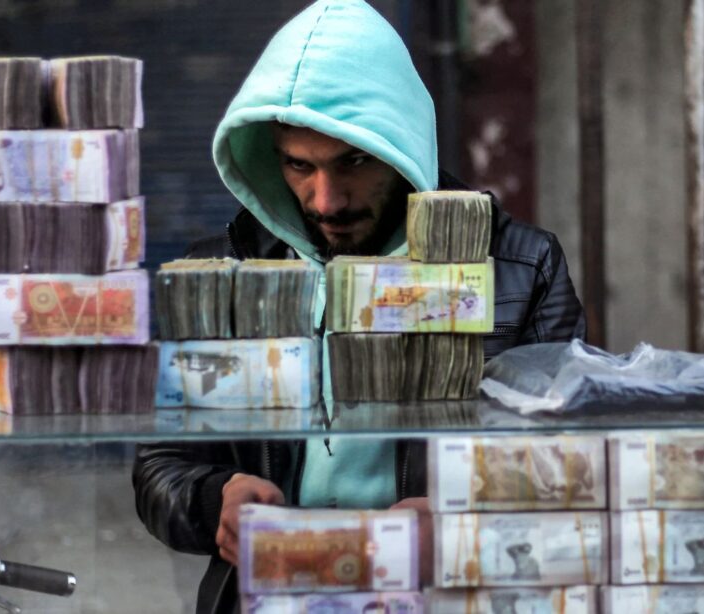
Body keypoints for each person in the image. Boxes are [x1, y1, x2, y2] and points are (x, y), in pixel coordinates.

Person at [133, 1, 584, 611]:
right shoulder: (225, 275)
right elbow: (162, 465)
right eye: (299, 165)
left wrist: (466, 515)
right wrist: (217, 501)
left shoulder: (521, 267)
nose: (328, 200)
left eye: (355, 161)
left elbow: (575, 463)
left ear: (402, 148)